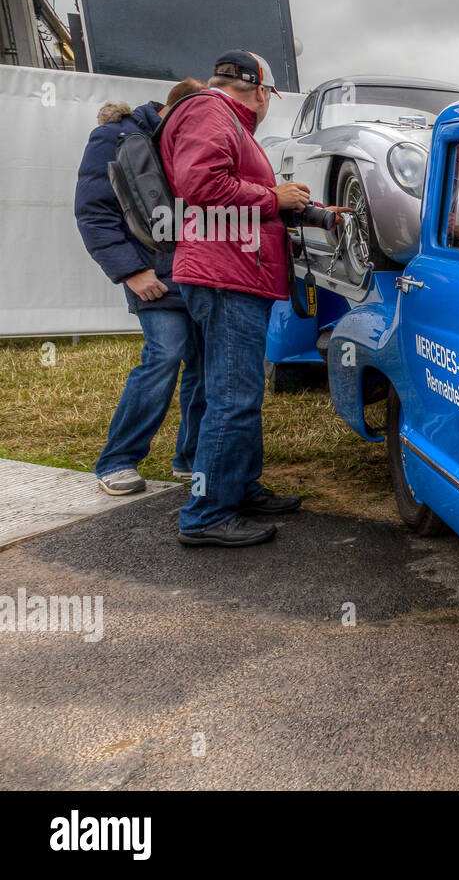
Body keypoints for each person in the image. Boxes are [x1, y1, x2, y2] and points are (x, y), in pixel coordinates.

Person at [160, 50, 323, 547]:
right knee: (234, 398)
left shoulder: (215, 115)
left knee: (232, 392)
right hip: (226, 276)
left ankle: (238, 487)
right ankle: (207, 513)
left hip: (227, 271)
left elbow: (216, 187)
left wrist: (290, 204)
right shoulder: (212, 112)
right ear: (258, 90)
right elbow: (201, 184)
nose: (268, 104)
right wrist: (275, 197)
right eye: (271, 95)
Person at [76, 78, 206, 496]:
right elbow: (94, 212)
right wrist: (131, 272)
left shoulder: (186, 137)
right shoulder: (114, 137)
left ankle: (191, 460)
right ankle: (117, 461)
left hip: (197, 273)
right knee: (164, 358)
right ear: (175, 110)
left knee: (203, 366)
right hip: (152, 276)